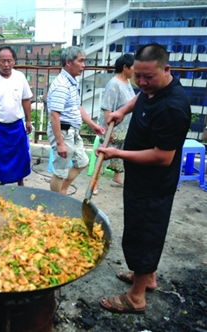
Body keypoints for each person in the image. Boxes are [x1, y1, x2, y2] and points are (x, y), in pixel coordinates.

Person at [97, 43, 191, 314]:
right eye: (137, 75)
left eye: (148, 77)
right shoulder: (154, 88)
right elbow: (140, 96)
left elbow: (163, 157)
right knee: (142, 229)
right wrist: (121, 111)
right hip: (140, 179)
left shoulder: (173, 106)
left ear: (167, 70)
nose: (141, 82)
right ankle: (146, 277)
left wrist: (118, 153)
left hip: (154, 184)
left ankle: (136, 297)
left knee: (144, 232)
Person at [47, 46, 105, 195]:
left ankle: (62, 192)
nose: (84, 65)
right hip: (63, 131)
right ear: (68, 62)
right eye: (81, 61)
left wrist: (93, 126)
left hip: (72, 131)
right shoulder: (61, 85)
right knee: (60, 171)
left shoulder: (72, 82)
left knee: (83, 162)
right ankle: (55, 202)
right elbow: (54, 115)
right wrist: (60, 143)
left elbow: (76, 107)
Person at [0, 46, 32, 186]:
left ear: (14, 61)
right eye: (3, 61)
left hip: (16, 126)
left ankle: (20, 184)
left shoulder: (20, 77)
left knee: (20, 157)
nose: (6, 64)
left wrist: (28, 121)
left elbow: (26, 99)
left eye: (9, 61)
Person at [94, 53, 136, 192]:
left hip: (124, 127)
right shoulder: (114, 84)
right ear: (125, 67)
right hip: (112, 127)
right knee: (103, 155)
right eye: (133, 67)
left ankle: (118, 176)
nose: (134, 70)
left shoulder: (127, 82)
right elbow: (107, 107)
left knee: (121, 151)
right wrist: (108, 130)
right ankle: (94, 183)